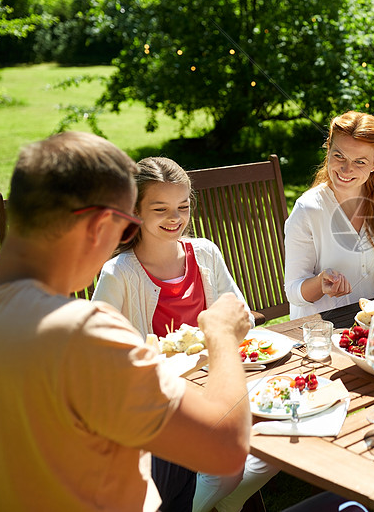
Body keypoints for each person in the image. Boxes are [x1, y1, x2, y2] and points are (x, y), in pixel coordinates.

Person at [0, 132, 251, 511]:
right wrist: (222, 334)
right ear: (98, 228)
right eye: (126, 227)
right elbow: (224, 449)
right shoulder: (83, 332)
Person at [91, 157, 275, 512]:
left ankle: (228, 499)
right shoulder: (119, 273)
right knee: (224, 455)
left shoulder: (205, 253)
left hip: (219, 386)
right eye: (160, 208)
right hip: (161, 404)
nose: (174, 218)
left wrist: (231, 330)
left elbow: (242, 318)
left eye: (183, 207)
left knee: (281, 431)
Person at [284, 111, 374, 318]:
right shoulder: (308, 209)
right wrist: (320, 284)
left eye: (360, 162)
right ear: (328, 150)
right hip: (322, 333)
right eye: (339, 156)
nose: (346, 169)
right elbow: (293, 292)